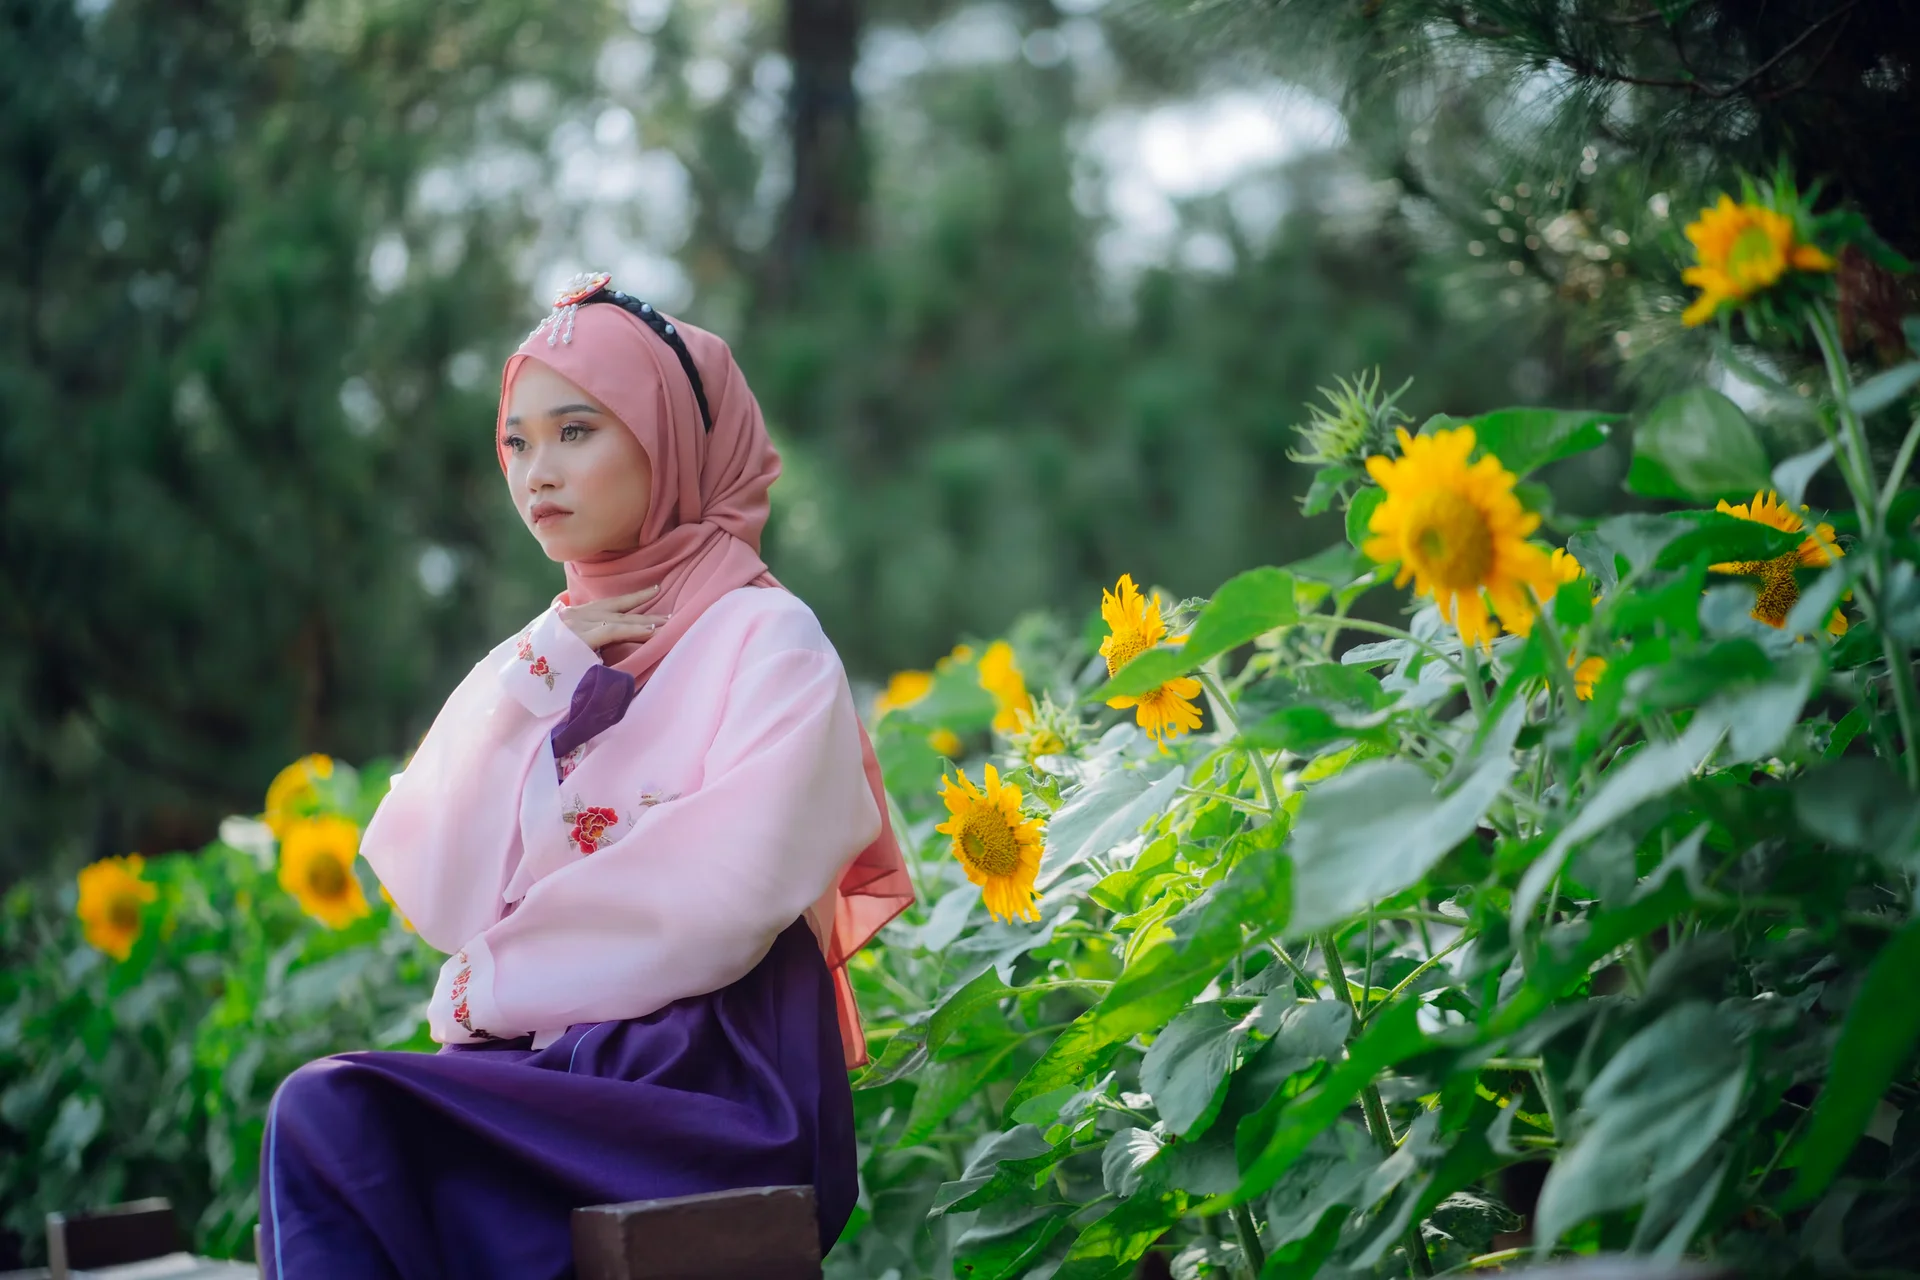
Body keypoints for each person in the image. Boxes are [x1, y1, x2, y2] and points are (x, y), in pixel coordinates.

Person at [256, 272, 915, 1279]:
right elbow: (435, 885)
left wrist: (496, 977)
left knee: (332, 1113)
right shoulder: (553, 656)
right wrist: (530, 669)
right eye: (516, 442)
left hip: (714, 1091)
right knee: (344, 1146)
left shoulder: (768, 637)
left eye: (576, 431)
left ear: (671, 442)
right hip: (557, 1080)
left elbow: (723, 897)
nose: (537, 472)